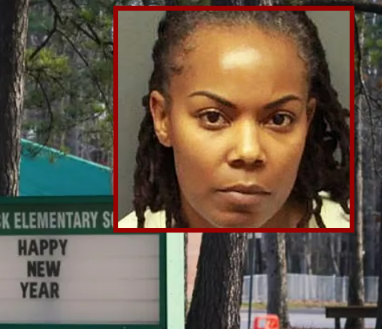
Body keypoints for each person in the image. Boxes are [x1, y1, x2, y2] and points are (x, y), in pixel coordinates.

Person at [118, 11, 350, 229]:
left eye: (279, 119)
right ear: (163, 118)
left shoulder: (344, 224)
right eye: (213, 117)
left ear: (306, 122)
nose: (248, 152)